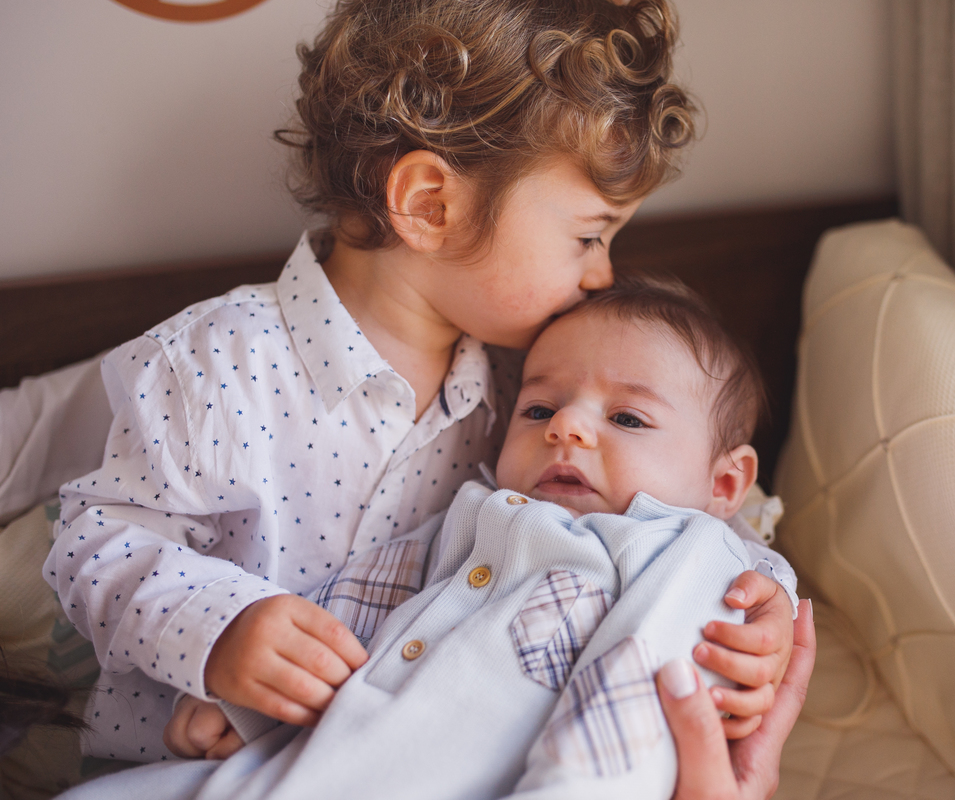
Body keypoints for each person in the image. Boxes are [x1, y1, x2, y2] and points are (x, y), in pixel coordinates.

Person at [42, 0, 803, 789]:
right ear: (430, 205)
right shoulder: (214, 362)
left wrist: (759, 599)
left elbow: (663, 518)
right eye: (588, 235)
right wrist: (218, 630)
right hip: (198, 764)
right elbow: (93, 544)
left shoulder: (533, 389)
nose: (602, 274)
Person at [61, 277, 801, 799]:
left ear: (727, 487)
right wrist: (244, 702)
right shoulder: (479, 512)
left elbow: (632, 710)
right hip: (307, 766)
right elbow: (356, 599)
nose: (566, 427)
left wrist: (772, 589)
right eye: (539, 407)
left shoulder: (686, 556)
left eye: (629, 420)